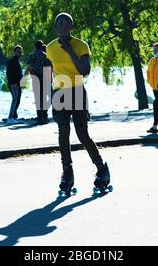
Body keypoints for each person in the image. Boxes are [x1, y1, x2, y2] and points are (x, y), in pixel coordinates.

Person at [46, 13, 111, 195]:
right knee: (63, 134)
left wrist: (68, 48)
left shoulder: (81, 45)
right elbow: (50, 71)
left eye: (67, 23)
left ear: (71, 26)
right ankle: (67, 173)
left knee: (82, 134)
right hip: (59, 93)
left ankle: (101, 169)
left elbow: (85, 71)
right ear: (56, 26)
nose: (64, 26)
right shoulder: (50, 48)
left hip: (77, 91)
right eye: (61, 23)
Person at [25, 40, 52, 125]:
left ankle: (40, 117)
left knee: (37, 98)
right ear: (42, 46)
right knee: (44, 97)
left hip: (35, 78)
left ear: (35, 46)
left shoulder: (31, 56)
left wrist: (25, 77)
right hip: (44, 78)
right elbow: (49, 68)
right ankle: (44, 115)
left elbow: (28, 67)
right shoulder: (46, 56)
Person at [6, 45, 24, 124]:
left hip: (18, 84)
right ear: (14, 52)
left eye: (20, 52)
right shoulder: (12, 61)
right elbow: (9, 73)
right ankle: (10, 118)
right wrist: (13, 83)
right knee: (15, 99)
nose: (19, 53)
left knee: (17, 100)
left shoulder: (17, 61)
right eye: (18, 52)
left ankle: (13, 116)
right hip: (14, 84)